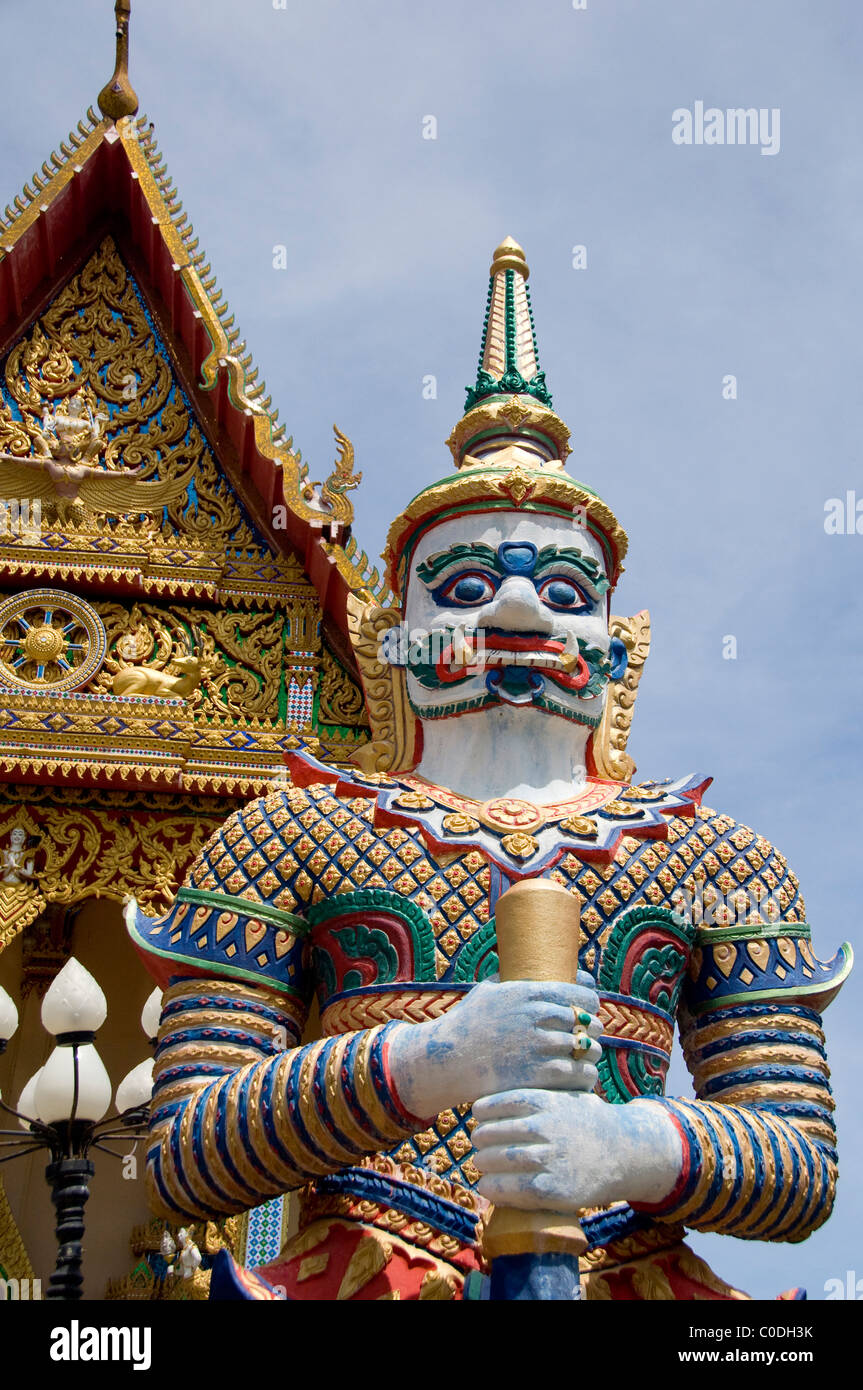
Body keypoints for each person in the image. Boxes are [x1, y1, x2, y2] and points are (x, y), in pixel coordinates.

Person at [127, 239, 849, 1301]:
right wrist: (425, 1063)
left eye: (563, 593)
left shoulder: (719, 860)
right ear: (394, 633)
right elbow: (183, 1155)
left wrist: (626, 1148)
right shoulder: (287, 835)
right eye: (463, 584)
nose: (515, 611)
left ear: (617, 642)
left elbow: (802, 1168)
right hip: (364, 1272)